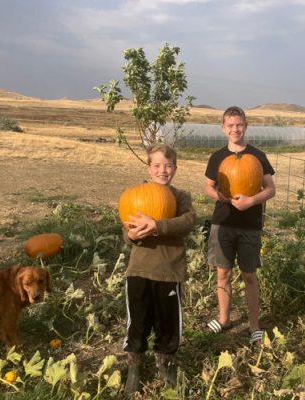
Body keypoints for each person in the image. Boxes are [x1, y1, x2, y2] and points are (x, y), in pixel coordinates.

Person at [122, 144, 196, 398]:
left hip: (169, 270)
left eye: (167, 165)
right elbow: (128, 229)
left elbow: (188, 221)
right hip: (140, 269)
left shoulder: (180, 197)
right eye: (157, 165)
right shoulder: (135, 195)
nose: (162, 170)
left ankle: (166, 364)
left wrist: (157, 225)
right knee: (138, 322)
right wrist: (131, 234)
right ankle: (135, 365)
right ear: (148, 168)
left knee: (168, 323)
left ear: (174, 168)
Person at [204, 106, 276, 346]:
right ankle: (224, 319)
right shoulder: (217, 157)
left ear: (245, 125)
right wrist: (222, 198)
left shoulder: (257, 156)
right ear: (223, 128)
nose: (235, 129)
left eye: (239, 124)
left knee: (249, 275)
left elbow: (270, 188)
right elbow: (208, 187)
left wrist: (251, 201)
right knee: (222, 273)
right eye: (230, 125)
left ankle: (254, 326)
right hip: (222, 223)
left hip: (250, 224)